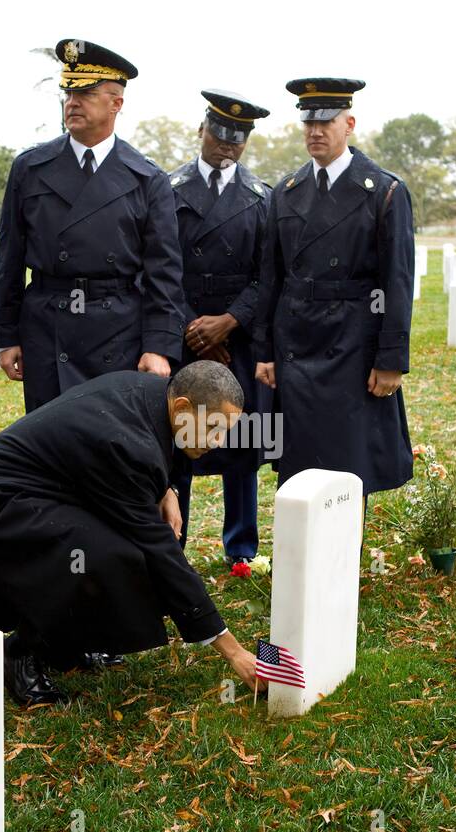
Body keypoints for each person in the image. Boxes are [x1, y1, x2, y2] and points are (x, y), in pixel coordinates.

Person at [0, 362, 264, 706]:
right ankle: (20, 652)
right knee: (102, 556)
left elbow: (150, 451)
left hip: (44, 491)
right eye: (214, 428)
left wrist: (166, 488)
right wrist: (234, 652)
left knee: (112, 550)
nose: (217, 442)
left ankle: (69, 642)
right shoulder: (128, 444)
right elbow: (160, 551)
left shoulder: (155, 394)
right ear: (184, 407)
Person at [0, 38, 185, 413]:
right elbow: (8, 257)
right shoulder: (30, 168)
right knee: (51, 444)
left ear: (116, 103)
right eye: (68, 94)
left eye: (86, 94)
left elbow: (165, 272)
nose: (71, 103)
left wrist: (158, 346)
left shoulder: (147, 179)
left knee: (109, 441)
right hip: (48, 329)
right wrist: (5, 333)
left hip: (117, 332)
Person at [253, 78, 414, 508]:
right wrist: (264, 351)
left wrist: (391, 360)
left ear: (350, 124)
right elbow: (272, 279)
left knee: (348, 461)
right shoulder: (285, 193)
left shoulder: (383, 191)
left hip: (352, 346)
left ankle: (340, 566)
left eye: (326, 121)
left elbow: (397, 282)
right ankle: (302, 560)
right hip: (296, 346)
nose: (315, 131)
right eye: (308, 122)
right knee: (299, 459)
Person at [167, 90, 272, 566]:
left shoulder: (261, 197)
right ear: (201, 130)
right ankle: (175, 543)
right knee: (180, 439)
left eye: (238, 139)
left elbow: (268, 275)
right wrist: (197, 332)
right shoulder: (166, 190)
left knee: (243, 440)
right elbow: (160, 269)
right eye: (220, 134)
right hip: (184, 333)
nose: (227, 145)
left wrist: (229, 323)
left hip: (238, 338)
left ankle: (242, 548)